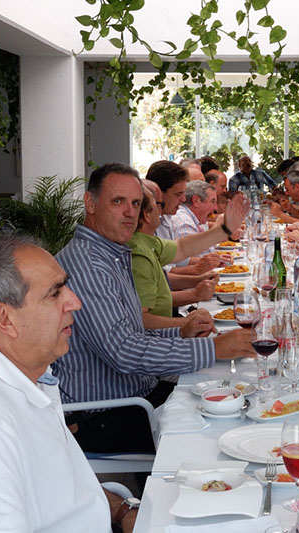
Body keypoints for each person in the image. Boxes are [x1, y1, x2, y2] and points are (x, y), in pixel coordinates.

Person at [0, 234, 139, 533]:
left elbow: (59, 484)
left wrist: (123, 510)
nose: (75, 302)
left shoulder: (27, 378)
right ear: (5, 318)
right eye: (55, 293)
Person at [54, 163, 254, 454]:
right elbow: (124, 351)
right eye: (118, 201)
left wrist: (183, 333)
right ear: (90, 203)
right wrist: (213, 349)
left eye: (135, 203)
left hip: (136, 395)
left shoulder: (110, 252)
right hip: (104, 414)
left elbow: (135, 330)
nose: (130, 212)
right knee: (226, 429)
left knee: (233, 393)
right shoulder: (88, 264)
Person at [128, 182, 217, 330]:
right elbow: (141, 319)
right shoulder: (139, 254)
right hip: (160, 337)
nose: (161, 212)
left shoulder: (149, 241)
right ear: (146, 215)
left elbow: (182, 247)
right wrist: (185, 322)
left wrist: (198, 281)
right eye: (159, 205)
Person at [147, 160, 223, 274]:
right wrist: (196, 270)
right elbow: (161, 275)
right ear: (158, 193)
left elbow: (178, 254)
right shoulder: (149, 223)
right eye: (178, 194)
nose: (183, 199)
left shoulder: (167, 218)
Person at [173, 180, 219, 251]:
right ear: (196, 201)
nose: (215, 208)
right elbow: (201, 255)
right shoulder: (185, 223)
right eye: (212, 201)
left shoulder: (191, 219)